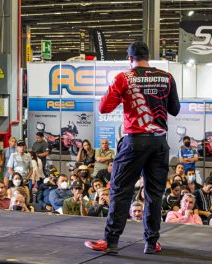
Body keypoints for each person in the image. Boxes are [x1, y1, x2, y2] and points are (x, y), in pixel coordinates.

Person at [84, 41, 180, 255]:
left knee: (120, 191)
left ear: (130, 59)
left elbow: (104, 107)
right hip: (159, 142)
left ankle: (110, 241)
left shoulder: (124, 77)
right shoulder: (167, 77)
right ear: (149, 56)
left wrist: (118, 93)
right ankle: (151, 242)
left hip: (134, 142)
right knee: (155, 194)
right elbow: (175, 109)